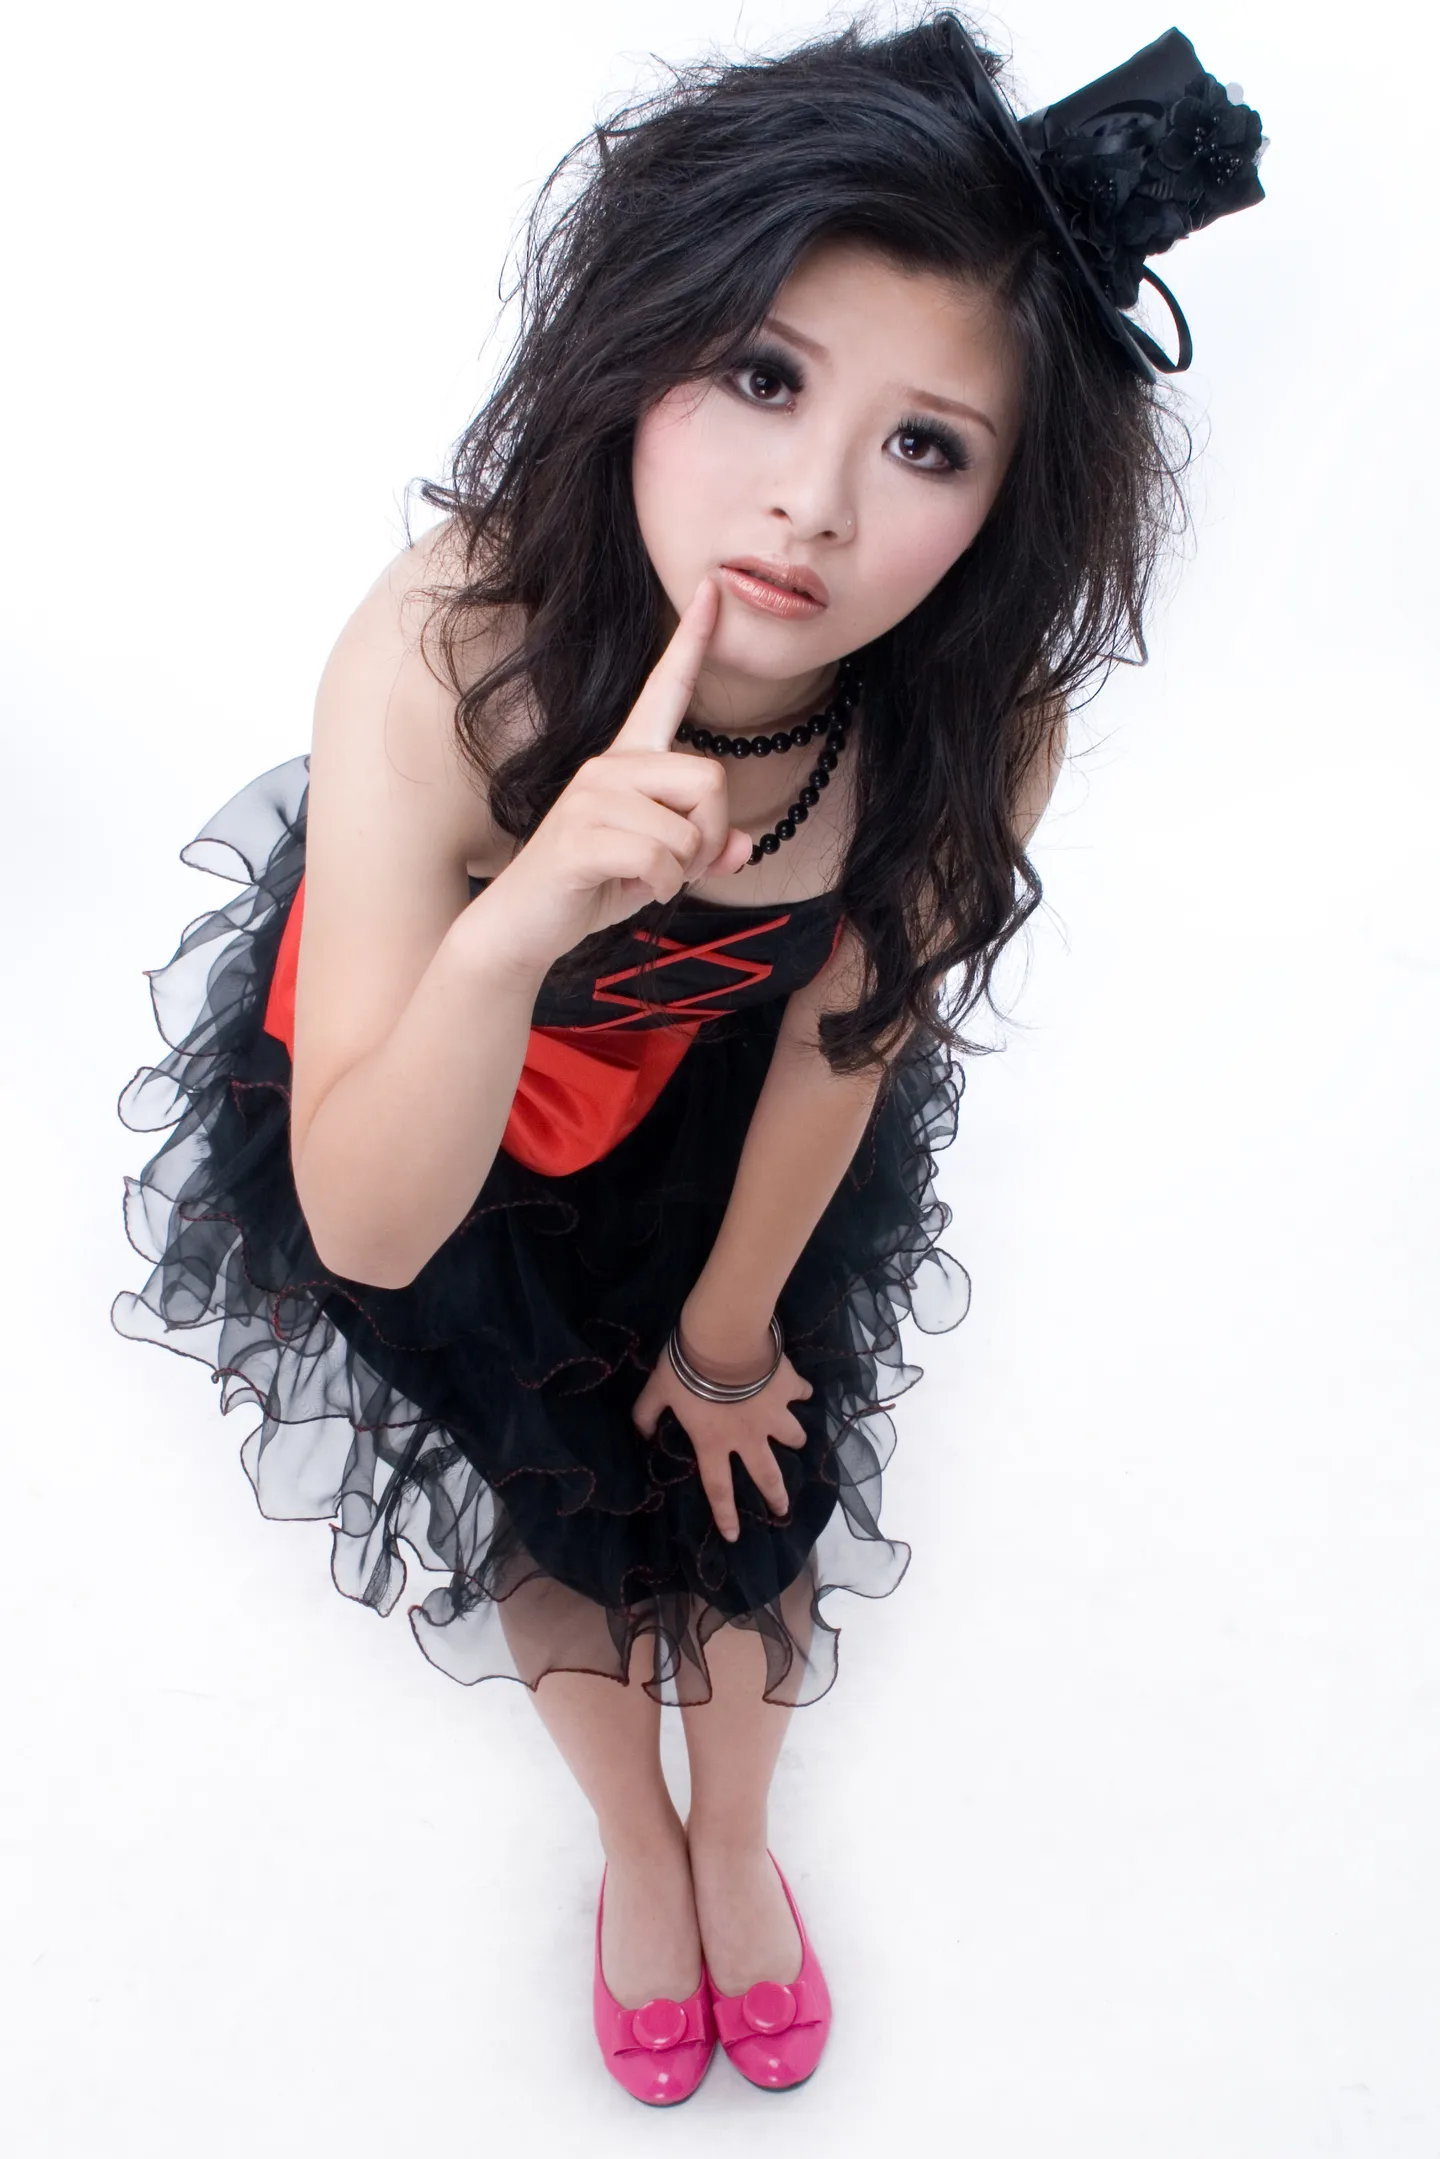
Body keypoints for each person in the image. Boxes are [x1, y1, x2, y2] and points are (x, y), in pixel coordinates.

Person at [110, 8, 1266, 2107]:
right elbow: (370, 1222)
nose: (807, 506)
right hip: (436, 1092)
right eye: (762, 375)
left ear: (1004, 504)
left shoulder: (969, 717)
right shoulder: (452, 654)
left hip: (733, 1097)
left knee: (750, 1492)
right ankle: (632, 1841)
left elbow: (850, 1022)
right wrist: (526, 911)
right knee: (558, 1497)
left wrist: (729, 1333)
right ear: (642, 343)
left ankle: (733, 1833)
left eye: (928, 445)